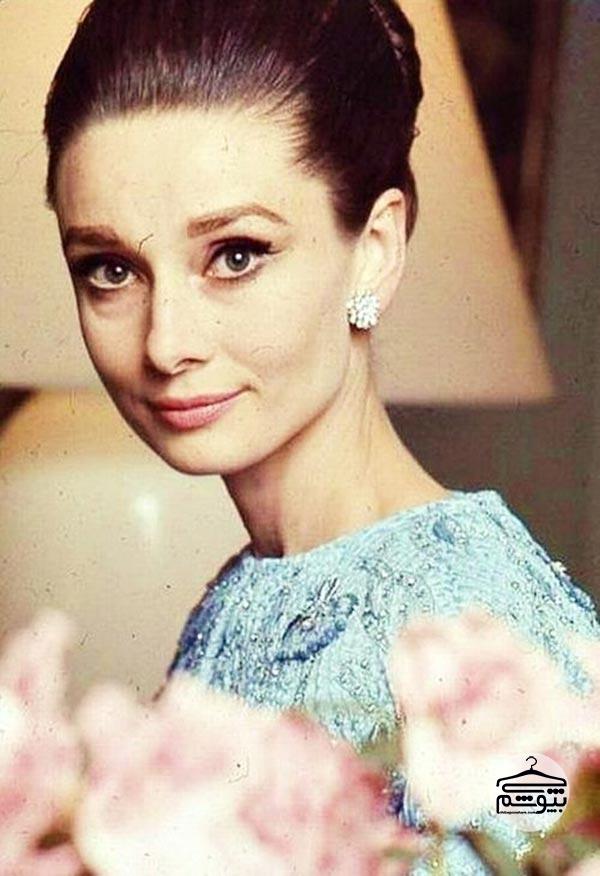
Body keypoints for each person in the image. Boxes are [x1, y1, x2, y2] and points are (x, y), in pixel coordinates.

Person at [44, 0, 600, 871]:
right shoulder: (246, 593)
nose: (164, 343)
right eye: (111, 270)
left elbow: (548, 830)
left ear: (374, 248)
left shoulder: (471, 621)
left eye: (235, 255)